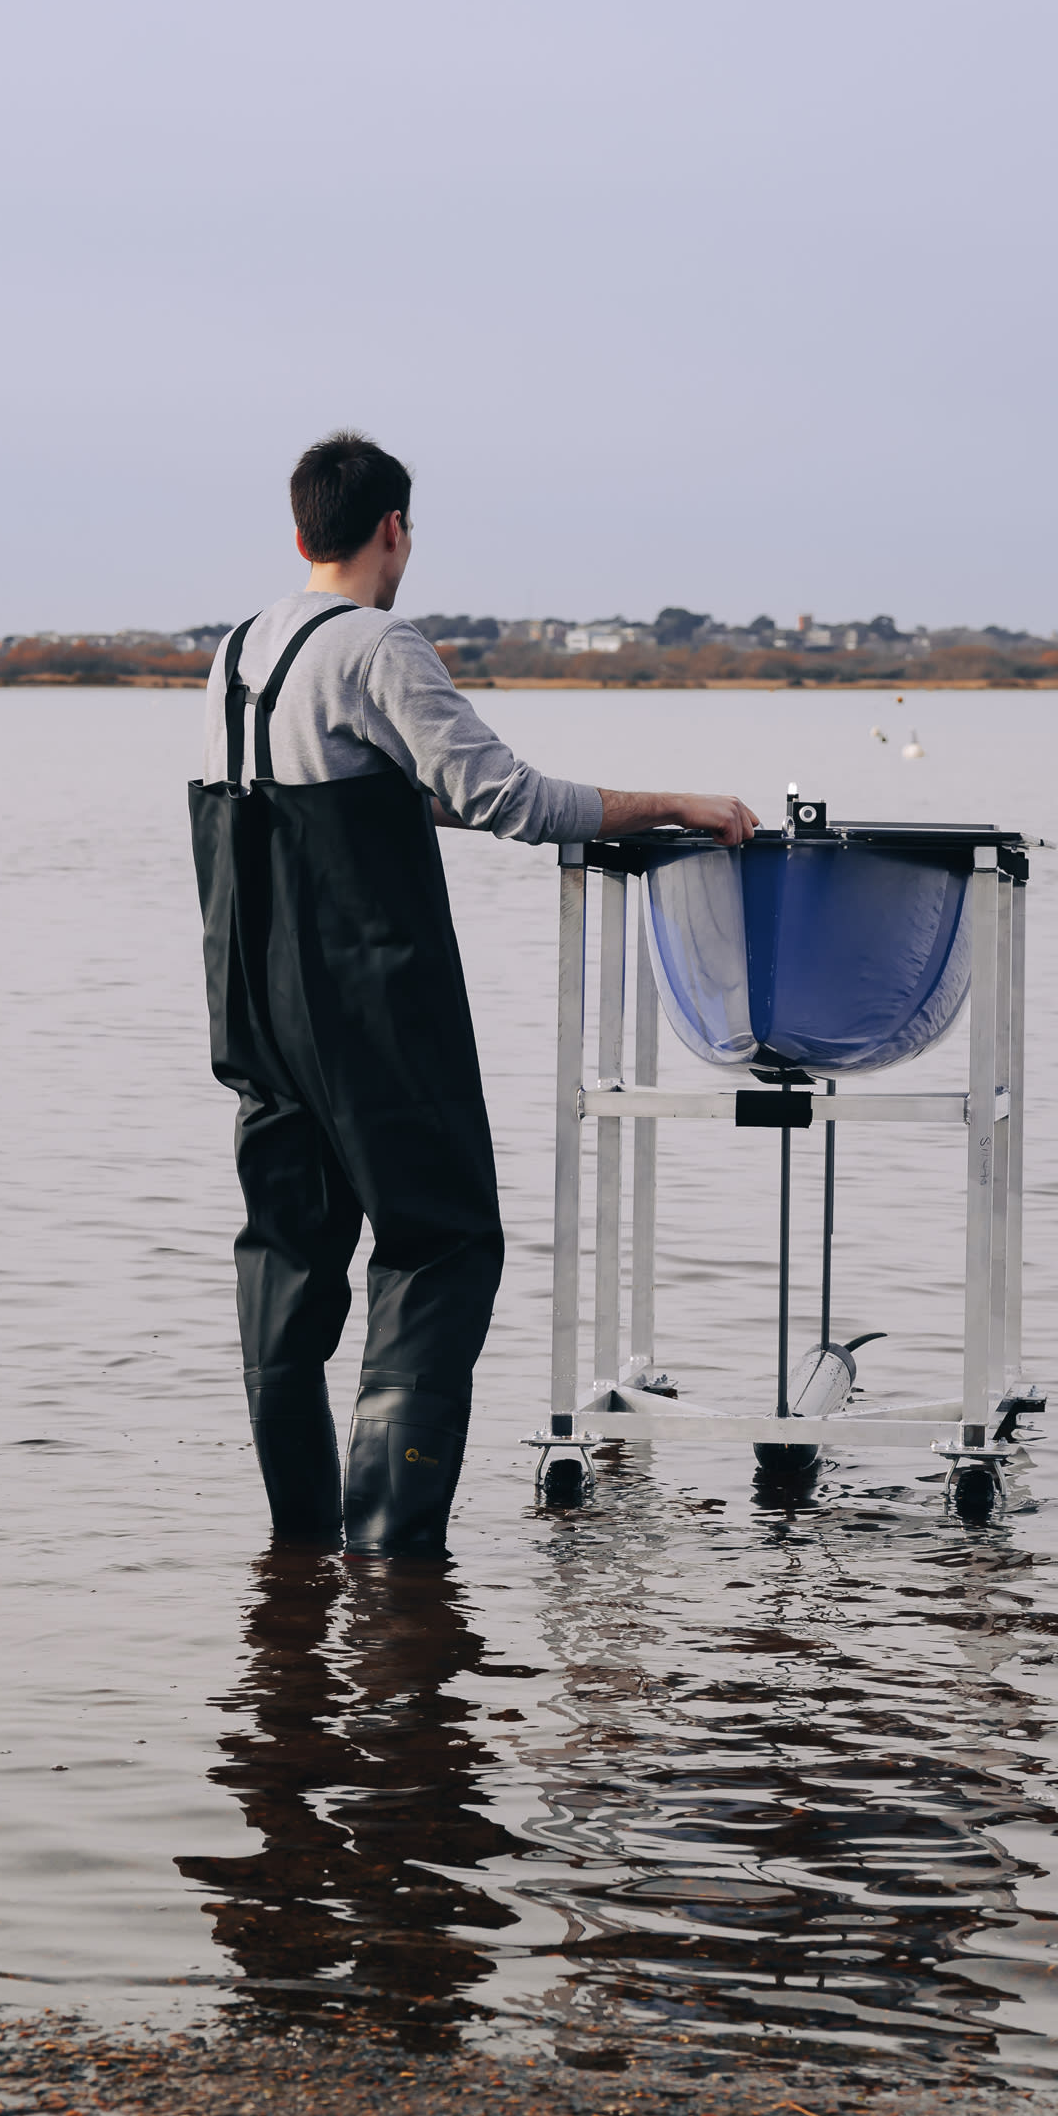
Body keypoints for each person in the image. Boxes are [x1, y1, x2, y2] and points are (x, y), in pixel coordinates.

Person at [191, 431, 756, 1554]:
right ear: (392, 529)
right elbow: (506, 799)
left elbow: (380, 787)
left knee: (288, 1261)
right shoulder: (378, 644)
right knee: (441, 1245)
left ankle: (299, 1554)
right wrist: (678, 805)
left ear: (301, 531)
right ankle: (393, 1556)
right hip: (369, 1007)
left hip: (252, 1003)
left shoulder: (239, 652)